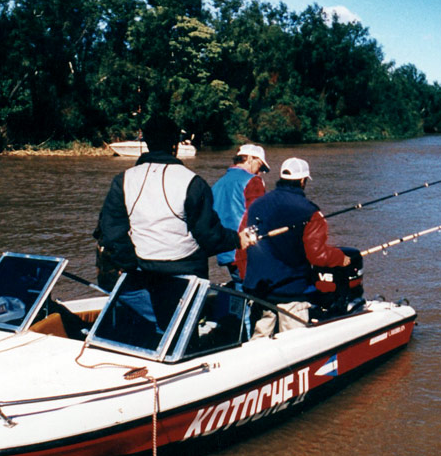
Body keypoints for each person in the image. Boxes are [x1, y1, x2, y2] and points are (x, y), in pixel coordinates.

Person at [94, 115, 255, 288]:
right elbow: (209, 236)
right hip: (185, 273)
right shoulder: (193, 182)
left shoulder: (123, 180)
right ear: (175, 145)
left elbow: (111, 231)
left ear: (146, 142)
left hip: (138, 273)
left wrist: (130, 264)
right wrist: (237, 239)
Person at [240, 157, 352, 337]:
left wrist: (248, 278)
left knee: (259, 341)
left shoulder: (256, 205)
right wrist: (341, 258)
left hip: (259, 289)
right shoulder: (310, 211)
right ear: (303, 181)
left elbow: (242, 242)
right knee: (294, 343)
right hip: (292, 292)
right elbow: (317, 255)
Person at [211, 144, 269, 284]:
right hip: (245, 251)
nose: (260, 173)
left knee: (239, 289)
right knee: (251, 294)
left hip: (224, 251)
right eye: (260, 167)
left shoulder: (218, 184)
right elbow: (261, 217)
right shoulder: (253, 181)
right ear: (249, 159)